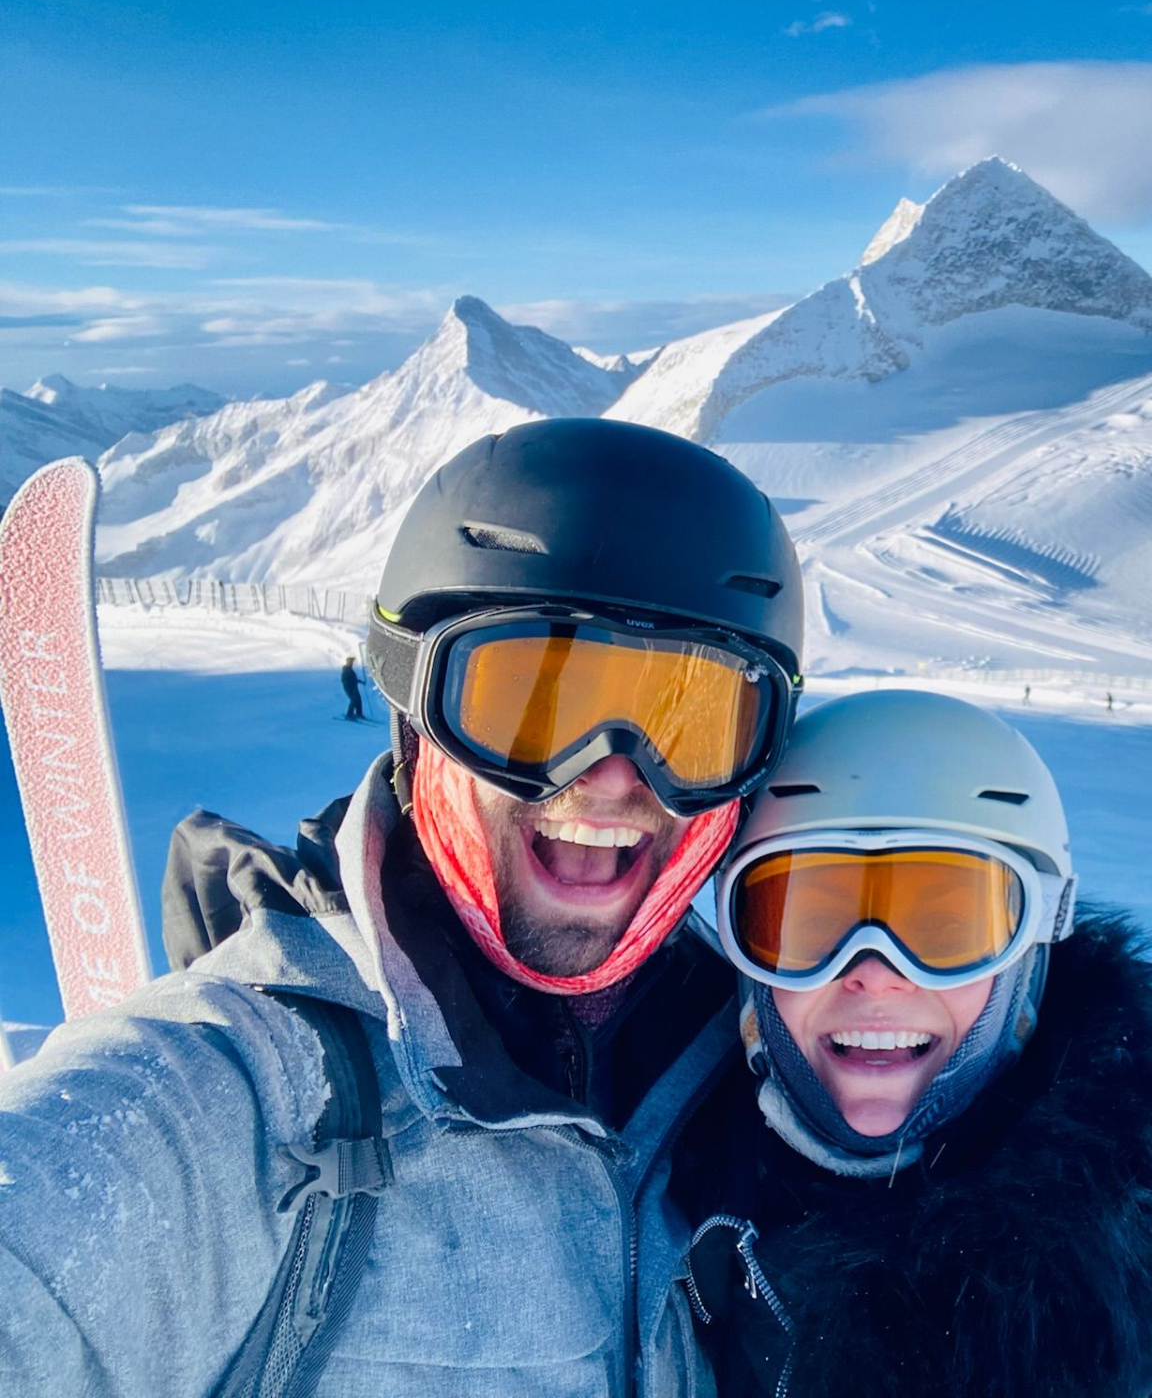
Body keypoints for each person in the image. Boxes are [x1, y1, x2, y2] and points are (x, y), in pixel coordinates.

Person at [0, 418, 805, 1396]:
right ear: (416, 714)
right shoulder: (234, 1096)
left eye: (693, 722)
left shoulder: (758, 1090)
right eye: (531, 704)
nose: (606, 776)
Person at [672, 691, 1152, 1398]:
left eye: (946, 928)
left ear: (1029, 962)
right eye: (808, 921)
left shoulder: (1129, 1326)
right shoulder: (658, 1188)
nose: (875, 972)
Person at [340, 652, 365, 720]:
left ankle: (359, 713)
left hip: (354, 687)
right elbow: (345, 680)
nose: (352, 663)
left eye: (352, 662)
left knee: (358, 699)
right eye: (351, 662)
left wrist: (361, 682)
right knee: (354, 700)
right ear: (348, 662)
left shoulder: (350, 669)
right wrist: (350, 685)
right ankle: (349, 715)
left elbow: (353, 678)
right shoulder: (346, 670)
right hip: (349, 688)